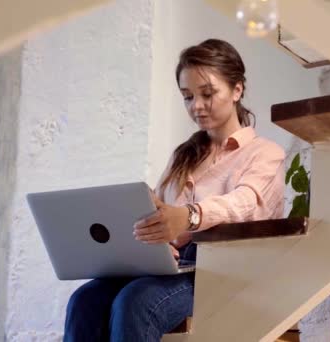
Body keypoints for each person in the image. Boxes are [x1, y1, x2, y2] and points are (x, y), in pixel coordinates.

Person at [64, 38, 285, 342]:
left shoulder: (265, 153)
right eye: (187, 96)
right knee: (84, 301)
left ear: (237, 90)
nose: (196, 106)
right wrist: (153, 235)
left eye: (207, 93)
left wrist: (188, 217)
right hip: (172, 267)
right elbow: (158, 212)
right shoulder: (183, 156)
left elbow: (245, 204)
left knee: (136, 301)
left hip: (223, 271)